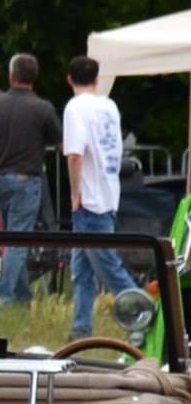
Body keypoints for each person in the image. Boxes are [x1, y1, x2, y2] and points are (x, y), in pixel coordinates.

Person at [0, 53, 62, 305]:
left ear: (11, 76)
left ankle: (21, 296)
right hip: (26, 180)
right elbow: (62, 145)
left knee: (10, 238)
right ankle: (4, 296)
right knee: (18, 240)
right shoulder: (43, 108)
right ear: (35, 78)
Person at [62, 54, 140, 341]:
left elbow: (74, 155)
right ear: (97, 79)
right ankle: (80, 329)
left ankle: (146, 314)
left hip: (88, 200)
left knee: (109, 268)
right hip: (107, 193)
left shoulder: (75, 108)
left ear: (70, 79)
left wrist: (74, 193)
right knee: (81, 269)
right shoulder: (109, 106)